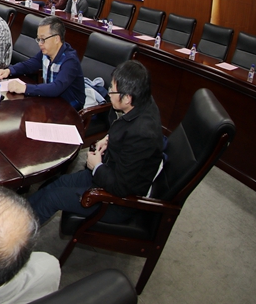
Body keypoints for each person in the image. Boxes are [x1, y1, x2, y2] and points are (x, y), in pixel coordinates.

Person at [28, 60, 164, 225]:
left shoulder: (143, 134)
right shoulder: (141, 100)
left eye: (112, 90)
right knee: (56, 184)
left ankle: (16, 234)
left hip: (116, 200)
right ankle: (15, 215)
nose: (109, 93)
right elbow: (123, 128)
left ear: (127, 98)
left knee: (52, 198)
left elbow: (121, 187)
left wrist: (96, 166)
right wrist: (109, 138)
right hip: (108, 173)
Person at [0, 16, 84, 109]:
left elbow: (56, 88)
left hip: (70, 106)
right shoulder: (46, 53)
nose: (39, 43)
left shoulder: (70, 60)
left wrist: (25, 88)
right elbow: (30, 64)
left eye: (43, 39)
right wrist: (9, 70)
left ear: (56, 39)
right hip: (51, 99)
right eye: (38, 39)